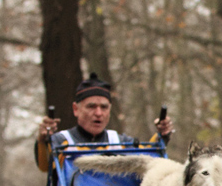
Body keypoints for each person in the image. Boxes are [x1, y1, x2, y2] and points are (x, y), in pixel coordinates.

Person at [35, 73, 175, 172]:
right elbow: (45, 166)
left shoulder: (119, 142)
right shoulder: (62, 141)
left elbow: (147, 159)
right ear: (76, 109)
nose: (98, 113)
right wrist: (42, 140)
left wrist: (161, 135)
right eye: (91, 106)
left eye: (104, 107)